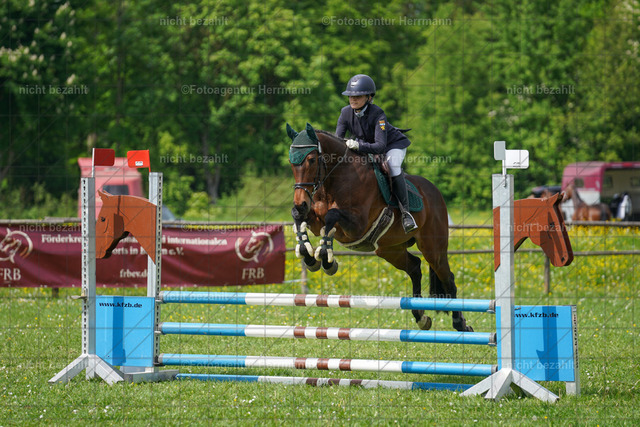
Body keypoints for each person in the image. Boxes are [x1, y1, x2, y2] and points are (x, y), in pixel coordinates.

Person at [335, 74, 418, 233]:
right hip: (367, 145)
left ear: (369, 97)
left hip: (392, 145)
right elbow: (338, 139)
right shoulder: (345, 113)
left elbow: (380, 146)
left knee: (392, 166)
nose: (353, 99)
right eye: (350, 96)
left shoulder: (378, 113)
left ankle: (406, 214)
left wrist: (358, 145)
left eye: (358, 96)